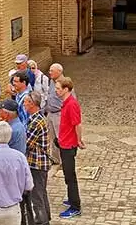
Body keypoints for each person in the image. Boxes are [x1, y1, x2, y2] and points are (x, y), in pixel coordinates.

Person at [56, 76, 84, 219]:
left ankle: (75, 206)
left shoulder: (71, 104)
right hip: (64, 142)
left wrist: (79, 140)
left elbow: (77, 124)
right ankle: (71, 199)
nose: (56, 91)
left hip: (69, 145)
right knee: (67, 175)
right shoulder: (65, 102)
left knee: (70, 176)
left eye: (58, 89)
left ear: (66, 89)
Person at [23, 91, 51, 225]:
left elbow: (27, 144)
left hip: (36, 164)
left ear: (32, 104)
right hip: (39, 164)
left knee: (37, 197)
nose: (24, 104)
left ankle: (42, 221)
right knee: (41, 194)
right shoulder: (36, 118)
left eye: (26, 102)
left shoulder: (36, 122)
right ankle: (46, 219)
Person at [43, 63, 71, 165]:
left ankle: (65, 159)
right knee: (52, 137)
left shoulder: (65, 83)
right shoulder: (51, 81)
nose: (49, 73)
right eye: (49, 70)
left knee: (61, 137)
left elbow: (70, 99)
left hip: (59, 114)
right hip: (50, 113)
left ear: (59, 72)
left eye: (52, 71)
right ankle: (55, 158)